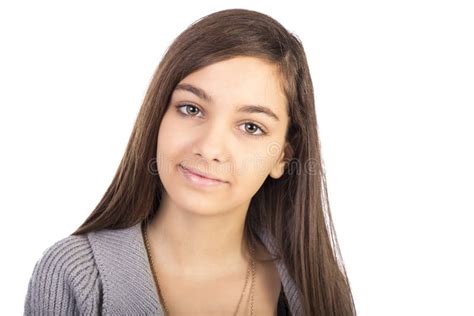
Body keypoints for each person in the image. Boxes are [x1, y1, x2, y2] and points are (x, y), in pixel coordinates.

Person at [24, 8, 356, 316]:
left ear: (282, 157)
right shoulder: (73, 274)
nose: (209, 147)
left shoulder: (317, 286)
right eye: (191, 109)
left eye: (251, 127)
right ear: (158, 115)